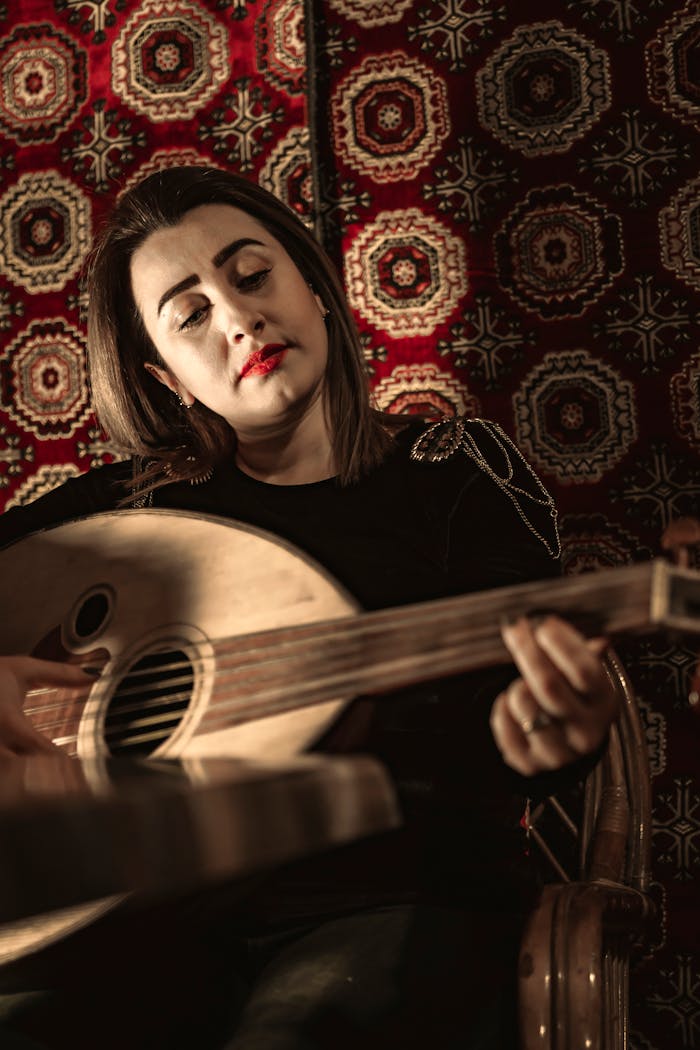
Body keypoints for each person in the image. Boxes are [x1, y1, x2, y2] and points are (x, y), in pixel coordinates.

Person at [0, 166, 618, 1049]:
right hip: (153, 922)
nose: (238, 318)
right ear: (168, 379)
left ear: (316, 288)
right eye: (191, 315)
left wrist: (557, 732)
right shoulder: (133, 512)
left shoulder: (451, 472)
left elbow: (524, 709)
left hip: (388, 900)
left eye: (252, 275)